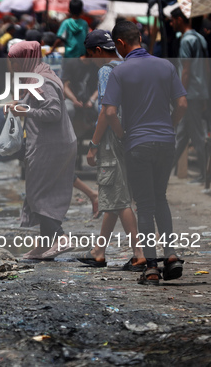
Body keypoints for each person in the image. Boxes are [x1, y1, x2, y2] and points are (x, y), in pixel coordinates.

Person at [102, 20, 188, 285]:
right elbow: (182, 104)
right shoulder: (166, 66)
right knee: (160, 198)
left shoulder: (119, 72)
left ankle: (151, 266)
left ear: (119, 44)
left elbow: (110, 112)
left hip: (137, 144)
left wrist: (121, 134)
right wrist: (169, 128)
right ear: (140, 37)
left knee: (145, 206)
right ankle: (171, 255)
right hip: (166, 143)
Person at [80, 30, 145, 270]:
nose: (92, 60)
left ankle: (138, 253)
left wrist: (94, 145)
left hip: (112, 138)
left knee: (118, 197)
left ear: (98, 51)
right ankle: (99, 249)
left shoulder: (106, 70)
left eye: (91, 55)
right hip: (131, 134)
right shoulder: (128, 65)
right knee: (115, 191)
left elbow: (107, 111)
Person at [7, 41, 77, 260]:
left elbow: (53, 112)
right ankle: (44, 246)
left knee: (36, 194)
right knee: (44, 192)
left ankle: (60, 237)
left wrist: (23, 111)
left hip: (50, 144)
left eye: (15, 60)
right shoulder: (39, 74)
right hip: (54, 142)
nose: (12, 65)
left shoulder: (41, 81)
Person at [170, 8, 209, 184]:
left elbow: (185, 70)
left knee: (197, 135)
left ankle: (206, 174)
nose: (171, 24)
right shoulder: (200, 38)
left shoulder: (187, 41)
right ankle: (164, 172)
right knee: (181, 135)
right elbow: (206, 68)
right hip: (199, 92)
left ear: (179, 19)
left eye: (172, 20)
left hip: (190, 94)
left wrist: (181, 95)